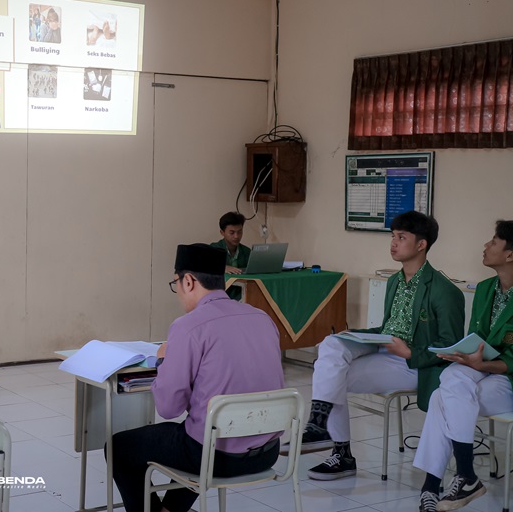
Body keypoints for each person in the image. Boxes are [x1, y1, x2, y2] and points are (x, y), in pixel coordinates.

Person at [107, 244, 285, 512]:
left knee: (120, 447)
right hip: (267, 451)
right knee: (196, 431)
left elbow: (168, 409)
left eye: (176, 283)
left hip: (214, 457)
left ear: (188, 281)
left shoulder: (188, 326)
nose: (177, 291)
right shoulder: (262, 318)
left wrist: (164, 360)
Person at [296, 211, 464, 482]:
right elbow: (388, 327)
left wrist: (410, 352)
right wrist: (356, 334)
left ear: (421, 245)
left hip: (412, 363)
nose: (393, 243)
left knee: (330, 374)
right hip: (386, 348)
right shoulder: (395, 280)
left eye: (401, 237)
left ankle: (340, 451)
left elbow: (451, 347)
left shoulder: (445, 291)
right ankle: (320, 425)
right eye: (392, 236)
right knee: (331, 345)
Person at [412, 220, 513, 512]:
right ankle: (465, 476)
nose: (485, 246)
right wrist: (466, 355)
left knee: (442, 396)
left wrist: (484, 363)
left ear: (509, 254)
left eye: (493, 241)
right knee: (453, 381)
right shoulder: (484, 289)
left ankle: (436, 485)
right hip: (480, 372)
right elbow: (477, 337)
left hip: (507, 380)